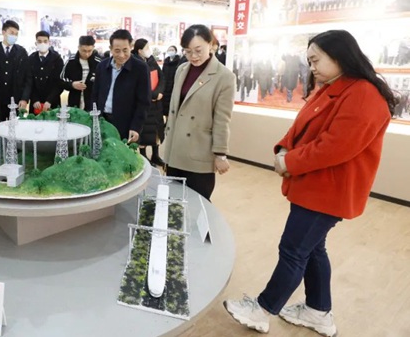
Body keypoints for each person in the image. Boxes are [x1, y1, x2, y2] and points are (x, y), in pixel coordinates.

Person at [224, 30, 397, 336]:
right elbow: (301, 127)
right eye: (310, 61)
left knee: (293, 249)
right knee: (313, 249)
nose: (312, 67)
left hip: (329, 189)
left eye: (316, 60)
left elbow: (335, 146)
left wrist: (289, 161)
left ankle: (263, 309)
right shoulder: (334, 87)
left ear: (340, 55)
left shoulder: (363, 94)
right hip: (316, 185)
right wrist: (284, 150)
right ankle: (318, 311)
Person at [162, 24, 235, 201]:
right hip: (175, 150)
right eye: (188, 51)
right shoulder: (181, 70)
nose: (193, 56)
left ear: (210, 44)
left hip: (199, 152)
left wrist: (220, 154)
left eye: (198, 50)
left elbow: (222, 119)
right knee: (173, 205)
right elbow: (175, 110)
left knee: (198, 206)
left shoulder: (224, 77)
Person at [91, 29, 150, 143]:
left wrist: (136, 127)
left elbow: (143, 102)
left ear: (131, 47)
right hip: (102, 120)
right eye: (117, 51)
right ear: (111, 48)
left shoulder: (140, 68)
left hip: (126, 124)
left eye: (125, 50)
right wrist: (93, 117)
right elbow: (95, 94)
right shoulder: (102, 66)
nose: (121, 55)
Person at [131, 38, 165, 167]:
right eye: (146, 48)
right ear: (139, 50)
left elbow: (162, 77)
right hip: (144, 103)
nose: (148, 50)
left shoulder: (151, 61)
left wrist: (159, 92)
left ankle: (155, 155)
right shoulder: (135, 63)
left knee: (156, 130)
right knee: (144, 131)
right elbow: (136, 85)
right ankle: (144, 156)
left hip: (157, 104)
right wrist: (151, 95)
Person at [23, 31, 64, 114]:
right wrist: (34, 99)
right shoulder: (30, 59)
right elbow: (29, 82)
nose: (42, 44)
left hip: (53, 102)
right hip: (36, 104)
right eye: (39, 41)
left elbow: (59, 83)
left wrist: (50, 100)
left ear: (49, 43)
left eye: (45, 41)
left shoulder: (57, 59)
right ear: (36, 43)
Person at [60, 35, 101, 111]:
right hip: (74, 102)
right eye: (84, 51)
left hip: (92, 104)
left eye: (89, 51)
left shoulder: (99, 63)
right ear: (78, 47)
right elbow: (61, 80)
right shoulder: (70, 62)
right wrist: (72, 84)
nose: (87, 54)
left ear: (93, 48)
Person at [161, 45, 183, 119]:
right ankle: (166, 119)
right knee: (165, 106)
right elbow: (162, 73)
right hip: (166, 86)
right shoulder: (166, 61)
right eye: (169, 50)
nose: (171, 51)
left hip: (173, 86)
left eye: (172, 50)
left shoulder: (179, 61)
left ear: (175, 51)